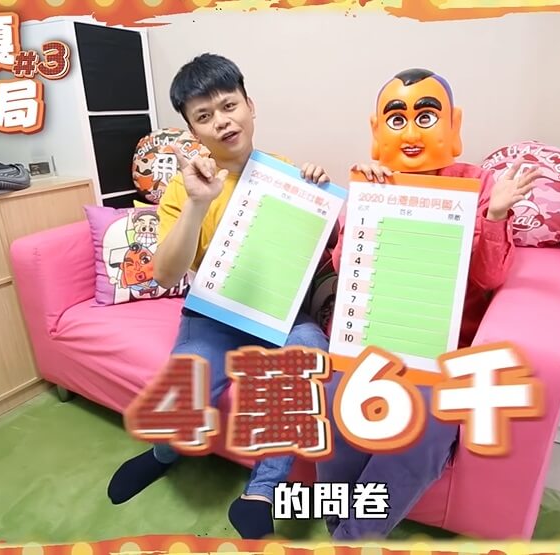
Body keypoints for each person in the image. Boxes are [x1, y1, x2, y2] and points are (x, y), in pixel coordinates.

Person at [106, 53, 332, 540]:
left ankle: (261, 493)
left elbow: (317, 250)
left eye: (229, 106)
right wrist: (196, 203)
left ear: (250, 105)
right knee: (191, 380)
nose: (222, 122)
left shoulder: (287, 173)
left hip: (280, 314)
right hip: (214, 312)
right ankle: (163, 455)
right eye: (204, 116)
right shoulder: (185, 188)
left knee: (307, 352)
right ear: (192, 130)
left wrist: (318, 192)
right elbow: (166, 273)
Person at [315, 68, 542, 540]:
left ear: (453, 125)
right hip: (368, 342)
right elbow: (344, 267)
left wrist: (496, 213)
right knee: (337, 402)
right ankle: (339, 521)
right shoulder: (375, 181)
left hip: (440, 353)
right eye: (397, 120)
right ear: (377, 130)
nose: (412, 133)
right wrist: (365, 201)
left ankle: (352, 539)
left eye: (425, 117)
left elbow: (490, 277)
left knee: (425, 423)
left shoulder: (478, 184)